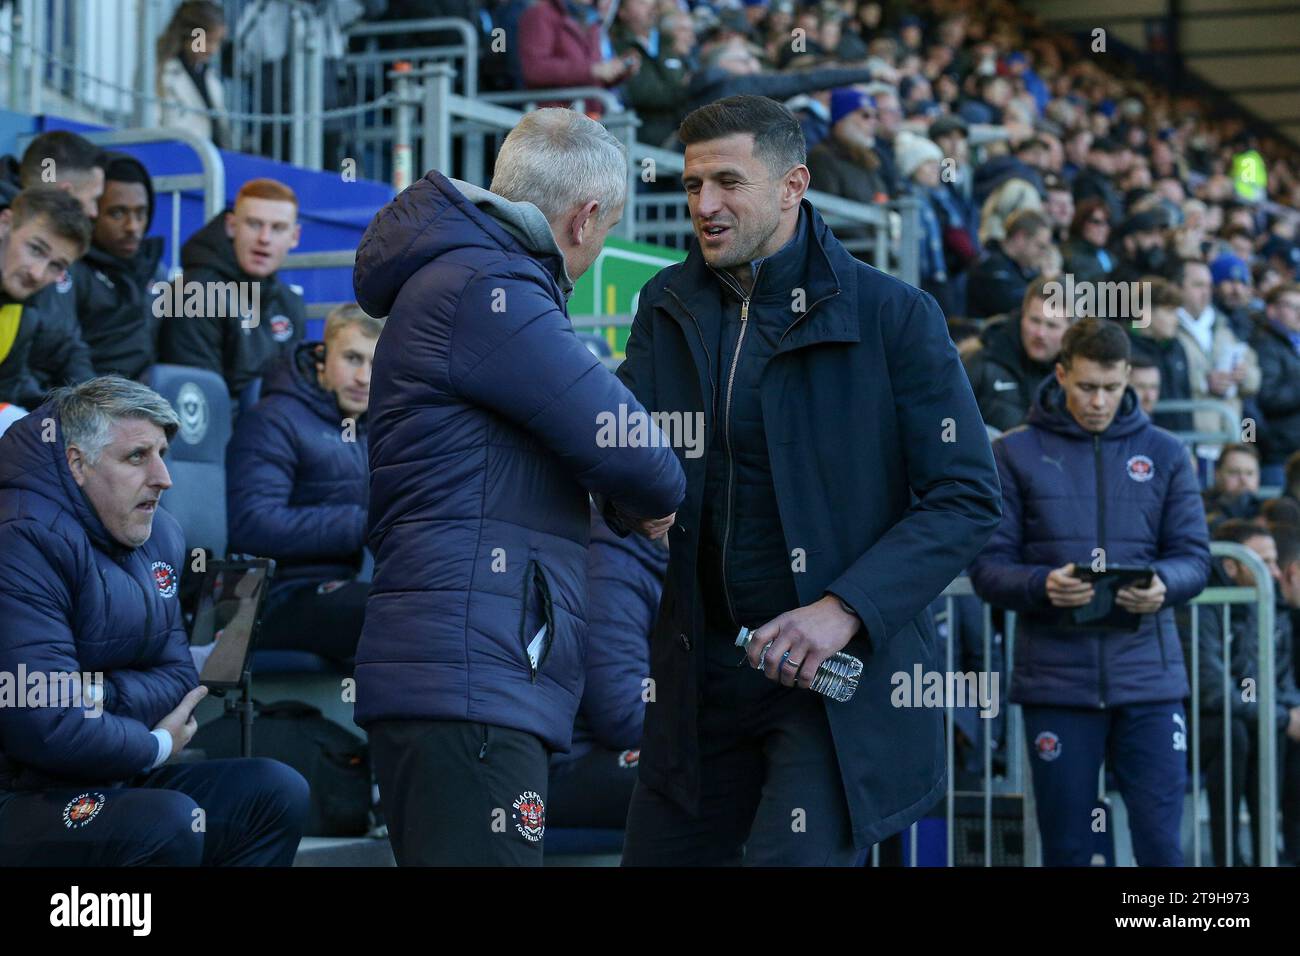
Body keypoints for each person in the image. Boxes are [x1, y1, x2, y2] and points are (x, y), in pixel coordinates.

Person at [613, 95, 1002, 865]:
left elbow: (966, 498)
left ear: (794, 185)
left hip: (830, 686)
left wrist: (843, 608)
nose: (705, 205)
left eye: (728, 182)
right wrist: (629, 491)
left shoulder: (895, 316)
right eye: (692, 187)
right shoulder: (665, 303)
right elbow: (632, 448)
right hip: (698, 680)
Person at [350, 108, 685, 867]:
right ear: (585, 216)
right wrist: (648, 504)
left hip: (465, 673)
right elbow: (638, 453)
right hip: (470, 678)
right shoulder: (488, 285)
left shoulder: (467, 278)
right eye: (605, 233)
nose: (597, 252)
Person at [0, 376, 309, 865]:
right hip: (20, 793)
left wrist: (98, 693)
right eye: (137, 457)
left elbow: (179, 678)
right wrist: (155, 743)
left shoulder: (160, 534)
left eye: (163, 452)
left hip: (108, 773)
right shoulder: (19, 536)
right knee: (167, 821)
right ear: (77, 462)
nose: (164, 477)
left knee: (273, 791)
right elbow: (47, 722)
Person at [971, 318, 1210, 866]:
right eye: (1086, 387)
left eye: (1112, 387)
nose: (1099, 401)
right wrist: (1041, 585)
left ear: (1129, 378)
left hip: (1149, 683)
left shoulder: (1168, 453)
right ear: (1060, 374)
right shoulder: (1015, 453)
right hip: (1057, 686)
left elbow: (1195, 558)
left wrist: (1163, 584)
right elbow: (988, 568)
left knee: (1161, 849)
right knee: (1068, 850)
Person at [224, 304, 382, 664]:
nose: (364, 377)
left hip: (329, 590)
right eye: (353, 358)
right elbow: (251, 525)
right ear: (322, 355)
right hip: (265, 598)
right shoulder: (272, 419)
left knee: (435, 602)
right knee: (397, 612)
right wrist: (365, 523)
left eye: (376, 364)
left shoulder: (368, 431)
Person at [1182, 520, 1300, 866]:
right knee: (1239, 733)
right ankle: (1228, 857)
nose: (1276, 573)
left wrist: (1292, 712)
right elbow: (1213, 692)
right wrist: (1280, 715)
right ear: (1232, 565)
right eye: (1265, 562)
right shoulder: (1201, 603)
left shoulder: (1270, 605)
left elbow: (1281, 680)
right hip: (1195, 721)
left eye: (1276, 561)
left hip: (1247, 715)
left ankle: (1275, 853)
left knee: (1276, 733)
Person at [548, 506, 667, 829]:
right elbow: (622, 715)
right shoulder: (611, 563)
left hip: (618, 748)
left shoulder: (669, 563)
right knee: (702, 779)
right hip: (571, 762)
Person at [159, 178, 304, 402]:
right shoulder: (194, 293)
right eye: (254, 224)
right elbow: (199, 401)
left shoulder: (290, 302)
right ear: (231, 226)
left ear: (294, 237)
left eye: (277, 228)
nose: (264, 238)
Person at [62, 152, 168, 380]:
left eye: (141, 213)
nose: (133, 226)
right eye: (117, 213)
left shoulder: (156, 271)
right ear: (92, 213)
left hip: (148, 403)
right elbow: (63, 355)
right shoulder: (69, 269)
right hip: (91, 403)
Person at [0, 188, 94, 409]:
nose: (37, 273)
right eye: (35, 249)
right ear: (4, 224)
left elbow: (7, 396)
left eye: (56, 265)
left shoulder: (21, 314)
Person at [963, 277, 1072, 432]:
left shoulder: (1080, 378)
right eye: (1035, 321)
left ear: (1070, 331)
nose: (1040, 333)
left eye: (1052, 325)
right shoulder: (982, 360)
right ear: (1022, 317)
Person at [611, 0, 692, 149]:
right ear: (622, 12)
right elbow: (641, 93)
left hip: (679, 128)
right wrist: (688, 89)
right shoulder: (616, 46)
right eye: (642, 3)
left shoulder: (667, 43)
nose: (651, 7)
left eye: (653, 3)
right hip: (647, 135)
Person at [155, 0, 230, 147]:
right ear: (190, 34)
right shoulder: (161, 74)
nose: (213, 50)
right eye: (208, 41)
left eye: (218, 42)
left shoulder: (210, 78)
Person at [1127, 276, 1194, 434]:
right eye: (1170, 312)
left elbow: (1186, 396)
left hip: (1182, 441)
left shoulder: (1177, 347)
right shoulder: (1124, 347)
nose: (1176, 320)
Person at [804, 88, 888, 207]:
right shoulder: (822, 158)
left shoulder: (870, 158)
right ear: (841, 120)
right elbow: (828, 213)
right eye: (865, 115)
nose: (873, 122)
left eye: (875, 116)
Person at [1251, 284, 1300, 481]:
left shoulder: (1292, 344)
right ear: (1271, 310)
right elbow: (1268, 397)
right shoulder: (1265, 344)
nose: (1299, 314)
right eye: (1292, 307)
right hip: (1280, 453)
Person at [967, 208, 1052, 319]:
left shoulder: (1019, 267)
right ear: (1020, 238)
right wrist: (1047, 281)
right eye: (1040, 246)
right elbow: (1015, 306)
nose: (1043, 254)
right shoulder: (990, 266)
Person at [1202, 443, 1263, 529]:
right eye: (1234, 472)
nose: (1243, 480)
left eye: (1249, 473)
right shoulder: (1200, 507)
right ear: (1217, 474)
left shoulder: (1265, 511)